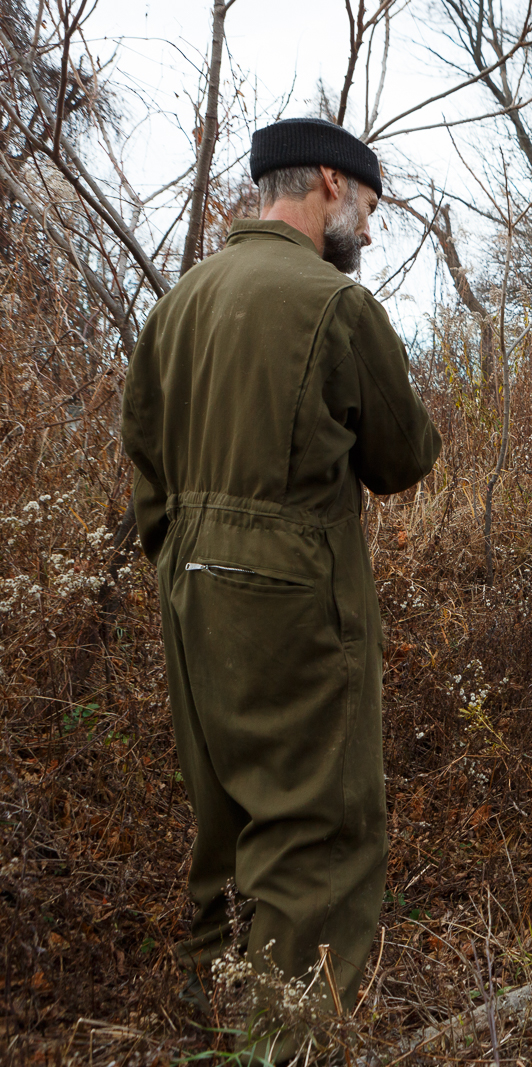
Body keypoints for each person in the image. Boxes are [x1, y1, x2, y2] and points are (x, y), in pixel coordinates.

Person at [121, 117, 442, 1056]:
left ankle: (202, 1014)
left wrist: (186, 557)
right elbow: (404, 455)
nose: (371, 235)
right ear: (332, 188)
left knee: (222, 812)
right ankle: (283, 1043)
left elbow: (143, 454)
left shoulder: (179, 303)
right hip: (294, 593)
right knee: (319, 833)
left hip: (187, 585)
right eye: (372, 208)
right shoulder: (334, 305)